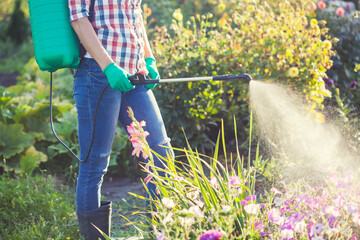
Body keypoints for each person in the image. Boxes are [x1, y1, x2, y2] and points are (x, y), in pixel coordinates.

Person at [68, 0, 174, 239]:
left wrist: (149, 58)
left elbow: (134, 15)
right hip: (97, 73)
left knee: (161, 153)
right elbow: (78, 19)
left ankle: (161, 232)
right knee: (95, 163)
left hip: (135, 76)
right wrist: (109, 67)